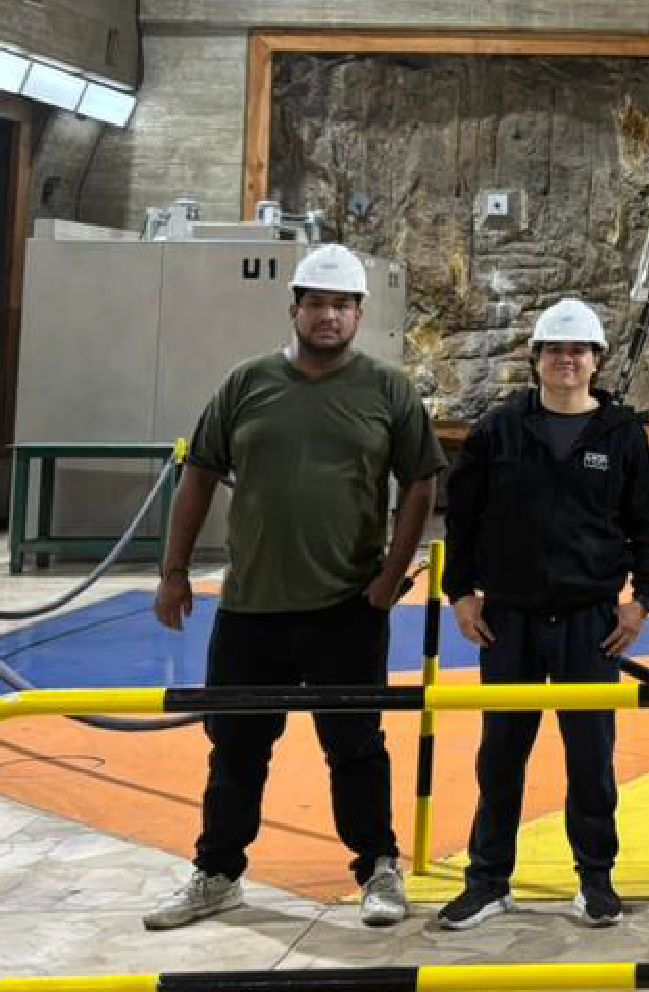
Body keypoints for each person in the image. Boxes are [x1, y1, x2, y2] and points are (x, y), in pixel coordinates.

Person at [142, 242, 443, 932]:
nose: (329, 316)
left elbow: (422, 481)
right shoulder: (246, 384)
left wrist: (389, 578)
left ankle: (378, 868)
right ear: (296, 309)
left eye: (342, 305)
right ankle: (218, 874)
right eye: (317, 304)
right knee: (237, 749)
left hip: (346, 609)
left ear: (359, 314)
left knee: (356, 746)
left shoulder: (387, 390)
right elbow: (200, 475)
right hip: (251, 609)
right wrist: (173, 571)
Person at [437, 297, 649, 929]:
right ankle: (488, 880)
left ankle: (596, 879)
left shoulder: (622, 434)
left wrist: (643, 599)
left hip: (590, 623)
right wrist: (460, 592)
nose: (566, 361)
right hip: (509, 621)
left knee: (591, 757)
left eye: (579, 351)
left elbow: (645, 522)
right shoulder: (499, 430)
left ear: (597, 360)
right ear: (535, 358)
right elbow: (461, 515)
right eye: (554, 350)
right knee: (501, 756)